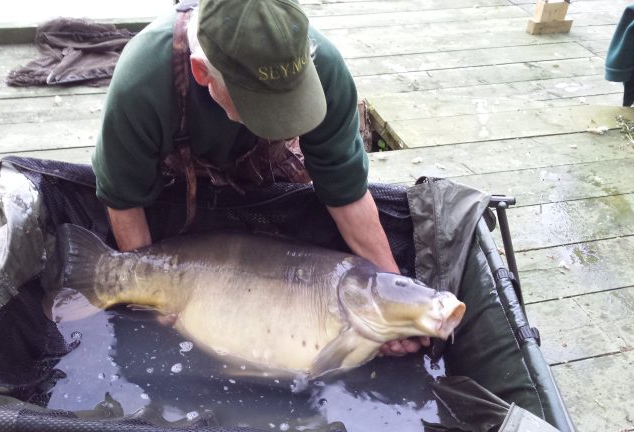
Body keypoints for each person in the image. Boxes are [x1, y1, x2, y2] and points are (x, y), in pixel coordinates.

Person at [91, 0, 428, 356]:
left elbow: (346, 190)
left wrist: (395, 294)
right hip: (171, 183)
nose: (282, 116)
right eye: (262, 105)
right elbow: (123, 198)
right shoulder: (142, 80)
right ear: (202, 72)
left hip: (266, 172)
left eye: (291, 101)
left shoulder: (325, 66)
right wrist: (150, 288)